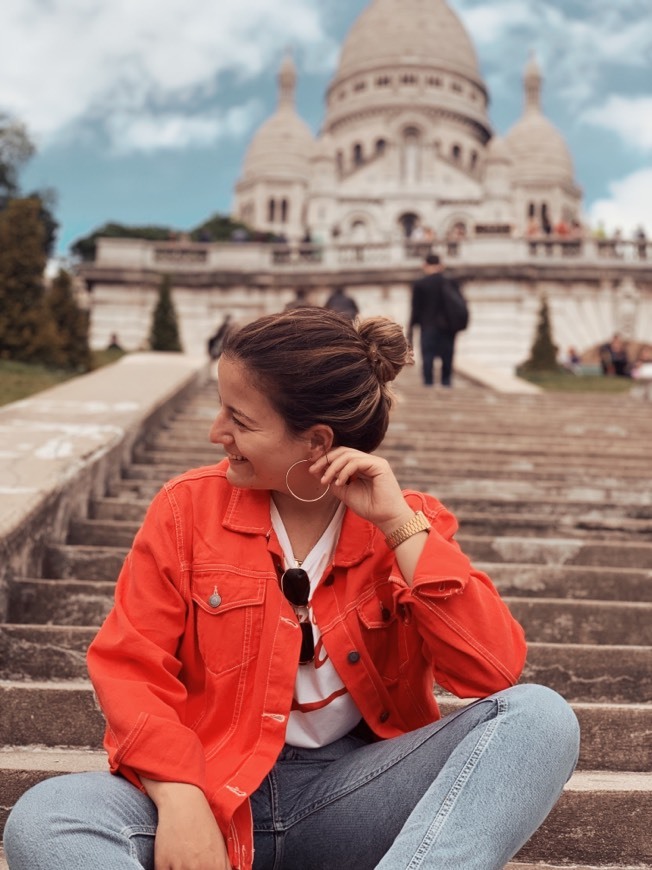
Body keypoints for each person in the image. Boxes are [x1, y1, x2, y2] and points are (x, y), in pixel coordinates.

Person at [4, 308, 580, 870]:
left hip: (352, 796)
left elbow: (492, 670)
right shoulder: (187, 508)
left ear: (315, 441)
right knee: (48, 818)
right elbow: (131, 667)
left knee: (541, 718)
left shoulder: (407, 523)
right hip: (211, 787)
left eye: (241, 420)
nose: (216, 433)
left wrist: (399, 526)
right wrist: (179, 797)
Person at [409, 253, 460, 387]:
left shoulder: (420, 284)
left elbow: (415, 309)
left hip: (428, 326)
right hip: (448, 327)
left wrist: (411, 329)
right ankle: (446, 382)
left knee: (428, 356)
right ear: (441, 265)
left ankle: (428, 384)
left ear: (425, 266)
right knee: (447, 356)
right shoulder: (451, 282)